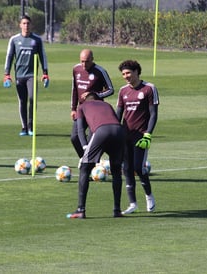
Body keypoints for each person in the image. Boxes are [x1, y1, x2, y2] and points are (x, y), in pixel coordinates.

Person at [67, 93, 125, 219]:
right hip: (119, 131)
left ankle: (80, 210)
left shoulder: (82, 107)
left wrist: (84, 147)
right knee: (116, 171)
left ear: (84, 100)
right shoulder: (107, 104)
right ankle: (117, 210)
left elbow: (80, 130)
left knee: (84, 168)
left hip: (102, 131)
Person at [116, 60, 159, 214]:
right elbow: (118, 115)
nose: (126, 76)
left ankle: (149, 196)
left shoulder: (149, 88)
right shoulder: (122, 91)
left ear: (136, 72)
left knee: (139, 168)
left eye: (128, 73)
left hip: (141, 136)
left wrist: (148, 134)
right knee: (126, 169)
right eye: (123, 74)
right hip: (125, 137)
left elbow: (153, 114)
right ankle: (132, 203)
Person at [3, 14, 49, 136]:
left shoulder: (37, 40)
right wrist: (6, 74)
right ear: (20, 25)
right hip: (19, 75)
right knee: (22, 101)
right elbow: (9, 56)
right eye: (24, 23)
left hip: (32, 75)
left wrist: (45, 73)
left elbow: (43, 56)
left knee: (32, 99)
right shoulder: (14, 39)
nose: (26, 26)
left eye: (28, 23)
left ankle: (31, 126)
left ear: (31, 25)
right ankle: (24, 127)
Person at [70, 49, 114, 160]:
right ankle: (85, 159)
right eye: (82, 61)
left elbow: (110, 90)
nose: (84, 64)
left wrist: (94, 94)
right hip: (81, 110)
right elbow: (74, 89)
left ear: (92, 60)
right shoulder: (76, 69)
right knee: (75, 137)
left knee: (92, 140)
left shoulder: (100, 71)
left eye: (87, 61)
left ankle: (91, 163)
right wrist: (73, 108)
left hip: (96, 111)